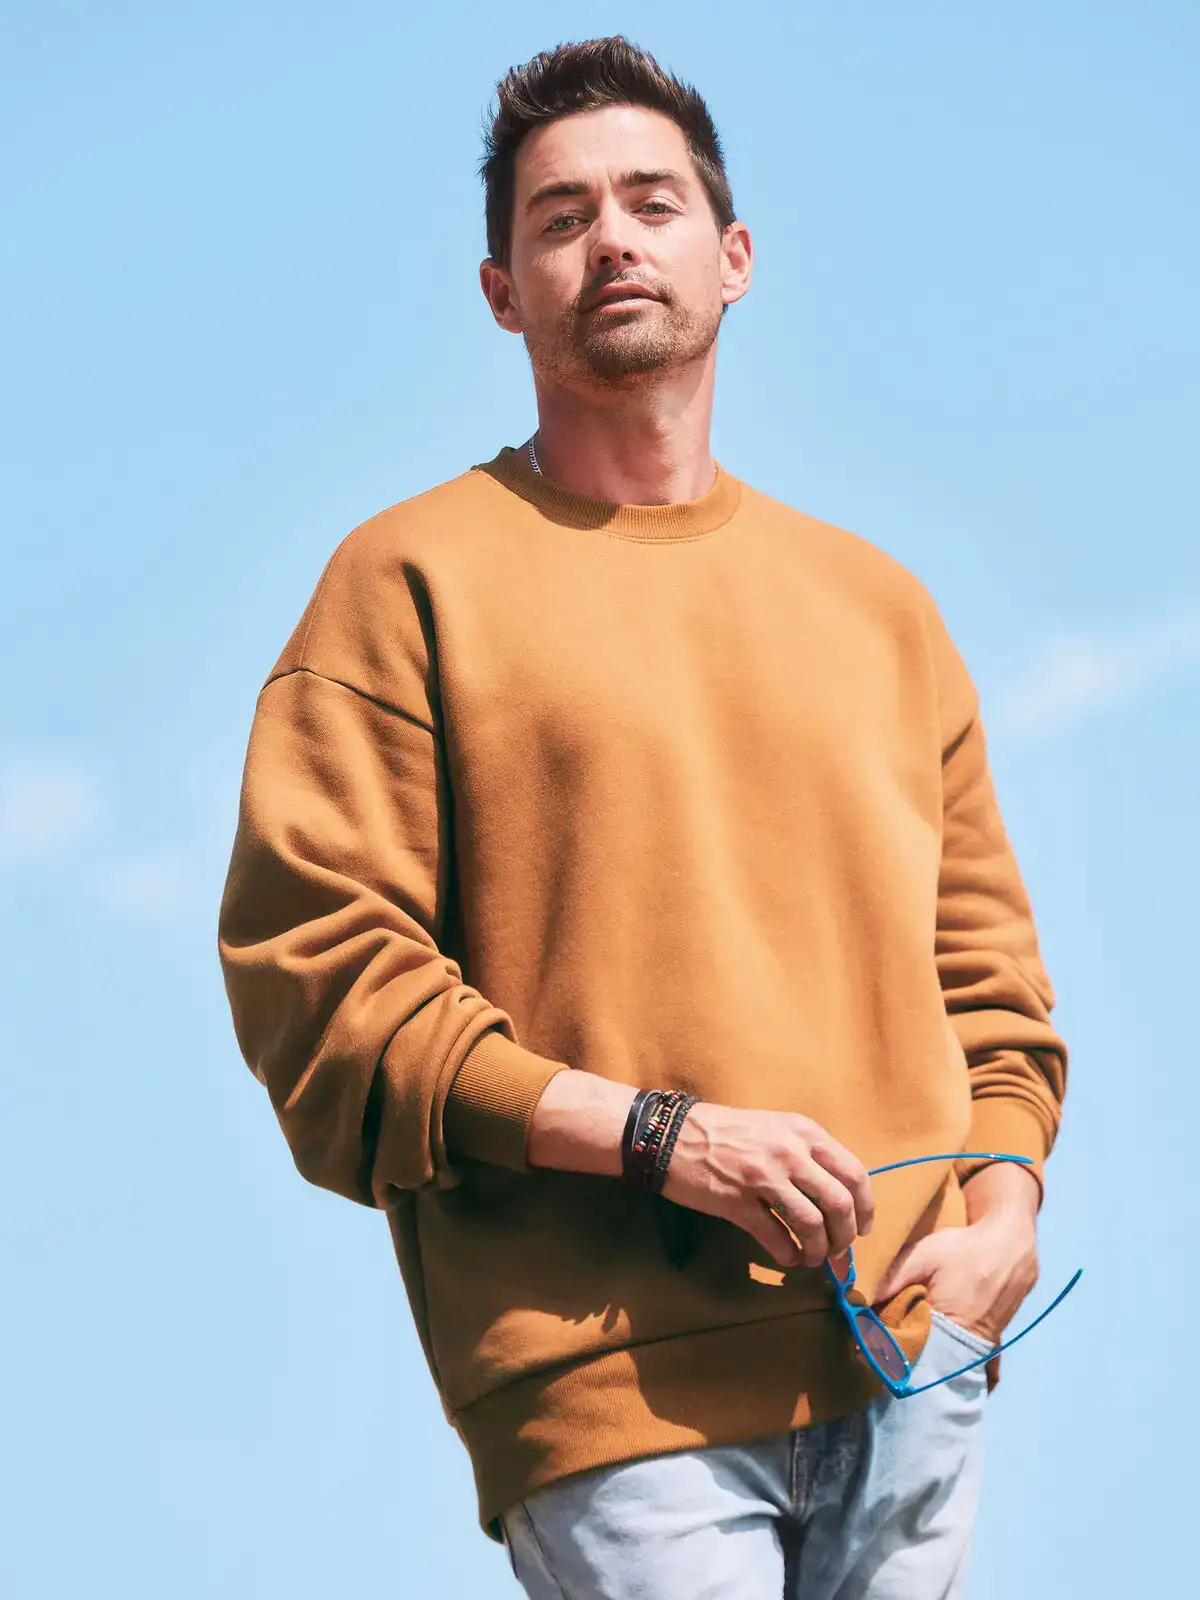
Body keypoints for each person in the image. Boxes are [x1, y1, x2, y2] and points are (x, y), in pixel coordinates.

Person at [217, 34, 1068, 1600]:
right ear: (503, 292)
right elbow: (324, 992)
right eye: (562, 217)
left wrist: (1004, 1220)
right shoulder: (404, 583)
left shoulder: (881, 609)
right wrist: (665, 1140)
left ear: (732, 258)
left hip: (919, 1364)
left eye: (652, 202)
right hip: (613, 1396)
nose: (612, 237)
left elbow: (997, 998)